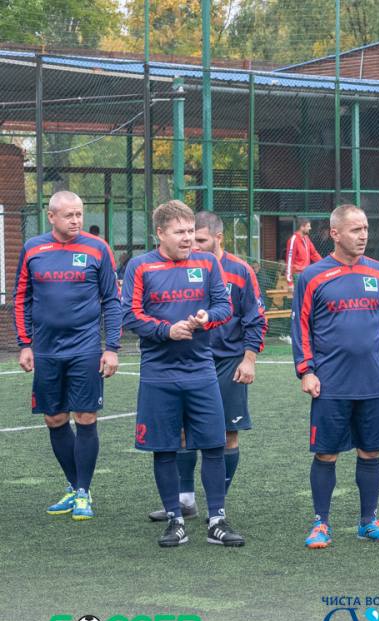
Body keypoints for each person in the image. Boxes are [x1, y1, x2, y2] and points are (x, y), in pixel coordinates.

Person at [122, 200, 244, 548]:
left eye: (191, 231)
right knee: (164, 447)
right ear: (160, 233)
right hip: (158, 374)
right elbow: (129, 315)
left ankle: (217, 520)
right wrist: (166, 330)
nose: (188, 238)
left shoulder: (207, 263)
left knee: (214, 444)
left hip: (201, 370)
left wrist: (207, 318)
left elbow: (224, 307)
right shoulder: (140, 266)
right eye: (180, 232)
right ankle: (175, 520)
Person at [292, 204, 379, 549]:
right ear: (335, 233)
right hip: (330, 383)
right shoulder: (312, 276)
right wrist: (306, 370)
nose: (363, 235)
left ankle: (368, 521)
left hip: (372, 382)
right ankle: (320, 523)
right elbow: (300, 327)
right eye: (356, 229)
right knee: (326, 454)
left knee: (371, 452)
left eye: (365, 229)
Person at [147, 211, 267, 522]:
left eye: (200, 239)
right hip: (188, 361)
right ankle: (185, 500)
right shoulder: (179, 266)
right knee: (181, 432)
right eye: (188, 236)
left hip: (228, 362)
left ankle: (218, 503)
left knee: (226, 434)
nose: (193, 244)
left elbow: (255, 318)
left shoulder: (239, 271)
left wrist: (249, 359)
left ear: (219, 238)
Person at [13, 190, 121, 520]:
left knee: (85, 418)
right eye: (69, 215)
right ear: (51, 216)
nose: (76, 220)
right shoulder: (33, 249)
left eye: (79, 214)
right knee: (55, 419)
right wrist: (25, 343)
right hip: (46, 350)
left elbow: (112, 300)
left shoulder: (98, 248)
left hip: (85, 349)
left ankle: (84, 492)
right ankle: (75, 487)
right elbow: (22, 298)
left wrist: (111, 348)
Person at [286, 217, 322, 286]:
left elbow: (314, 254)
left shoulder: (306, 238)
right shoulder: (293, 240)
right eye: (308, 226)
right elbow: (289, 261)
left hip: (306, 273)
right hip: (297, 275)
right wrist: (290, 282)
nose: (310, 228)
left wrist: (324, 264)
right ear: (302, 227)